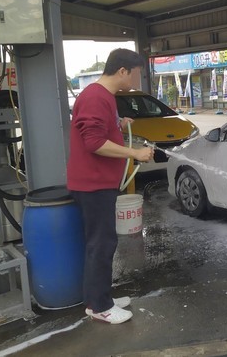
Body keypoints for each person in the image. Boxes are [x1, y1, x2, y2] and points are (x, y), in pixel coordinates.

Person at [67, 48, 154, 325]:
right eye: (137, 74)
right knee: (101, 243)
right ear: (123, 71)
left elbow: (99, 130)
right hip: (93, 186)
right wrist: (135, 153)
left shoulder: (104, 97)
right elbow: (93, 143)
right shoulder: (95, 96)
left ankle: (99, 296)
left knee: (102, 242)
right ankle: (100, 306)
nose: (137, 80)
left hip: (99, 183)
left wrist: (118, 123)